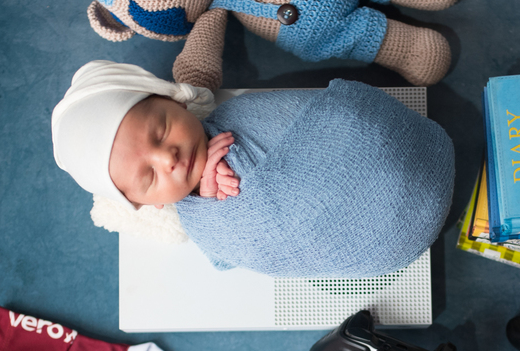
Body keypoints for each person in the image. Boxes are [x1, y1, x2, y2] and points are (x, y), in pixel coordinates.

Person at [52, 60, 454, 277]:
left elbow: (291, 121)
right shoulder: (197, 221)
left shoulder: (236, 115)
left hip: (397, 158)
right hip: (382, 243)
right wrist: (210, 203)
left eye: (160, 131)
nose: (168, 158)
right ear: (148, 204)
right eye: (150, 177)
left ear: (173, 100)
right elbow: (234, 247)